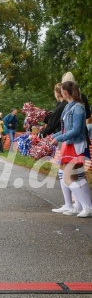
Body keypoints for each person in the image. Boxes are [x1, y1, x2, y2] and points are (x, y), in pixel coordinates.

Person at [51, 81, 92, 218]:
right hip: (69, 144)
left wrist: (59, 138)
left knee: (70, 177)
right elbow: (65, 129)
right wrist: (54, 136)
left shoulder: (78, 108)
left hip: (76, 145)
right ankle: (80, 206)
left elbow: (75, 130)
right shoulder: (69, 106)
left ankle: (87, 207)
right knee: (73, 176)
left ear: (65, 92)